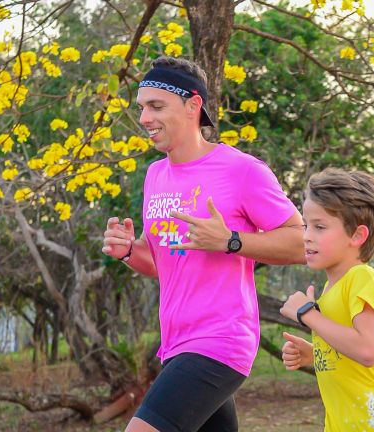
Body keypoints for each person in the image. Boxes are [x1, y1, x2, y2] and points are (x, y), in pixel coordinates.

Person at [101, 55, 306, 432]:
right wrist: (129, 250)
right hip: (177, 343)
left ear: (194, 105)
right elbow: (160, 263)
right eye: (142, 107)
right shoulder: (155, 175)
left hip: (220, 341)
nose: (144, 118)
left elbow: (301, 243)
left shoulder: (242, 170)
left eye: (156, 106)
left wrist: (230, 240)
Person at [279, 168, 374, 432]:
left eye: (320, 227)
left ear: (357, 235)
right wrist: (315, 354)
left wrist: (308, 314)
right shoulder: (332, 289)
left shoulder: (361, 278)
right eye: (306, 225)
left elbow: (367, 350)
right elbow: (351, 351)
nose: (307, 235)